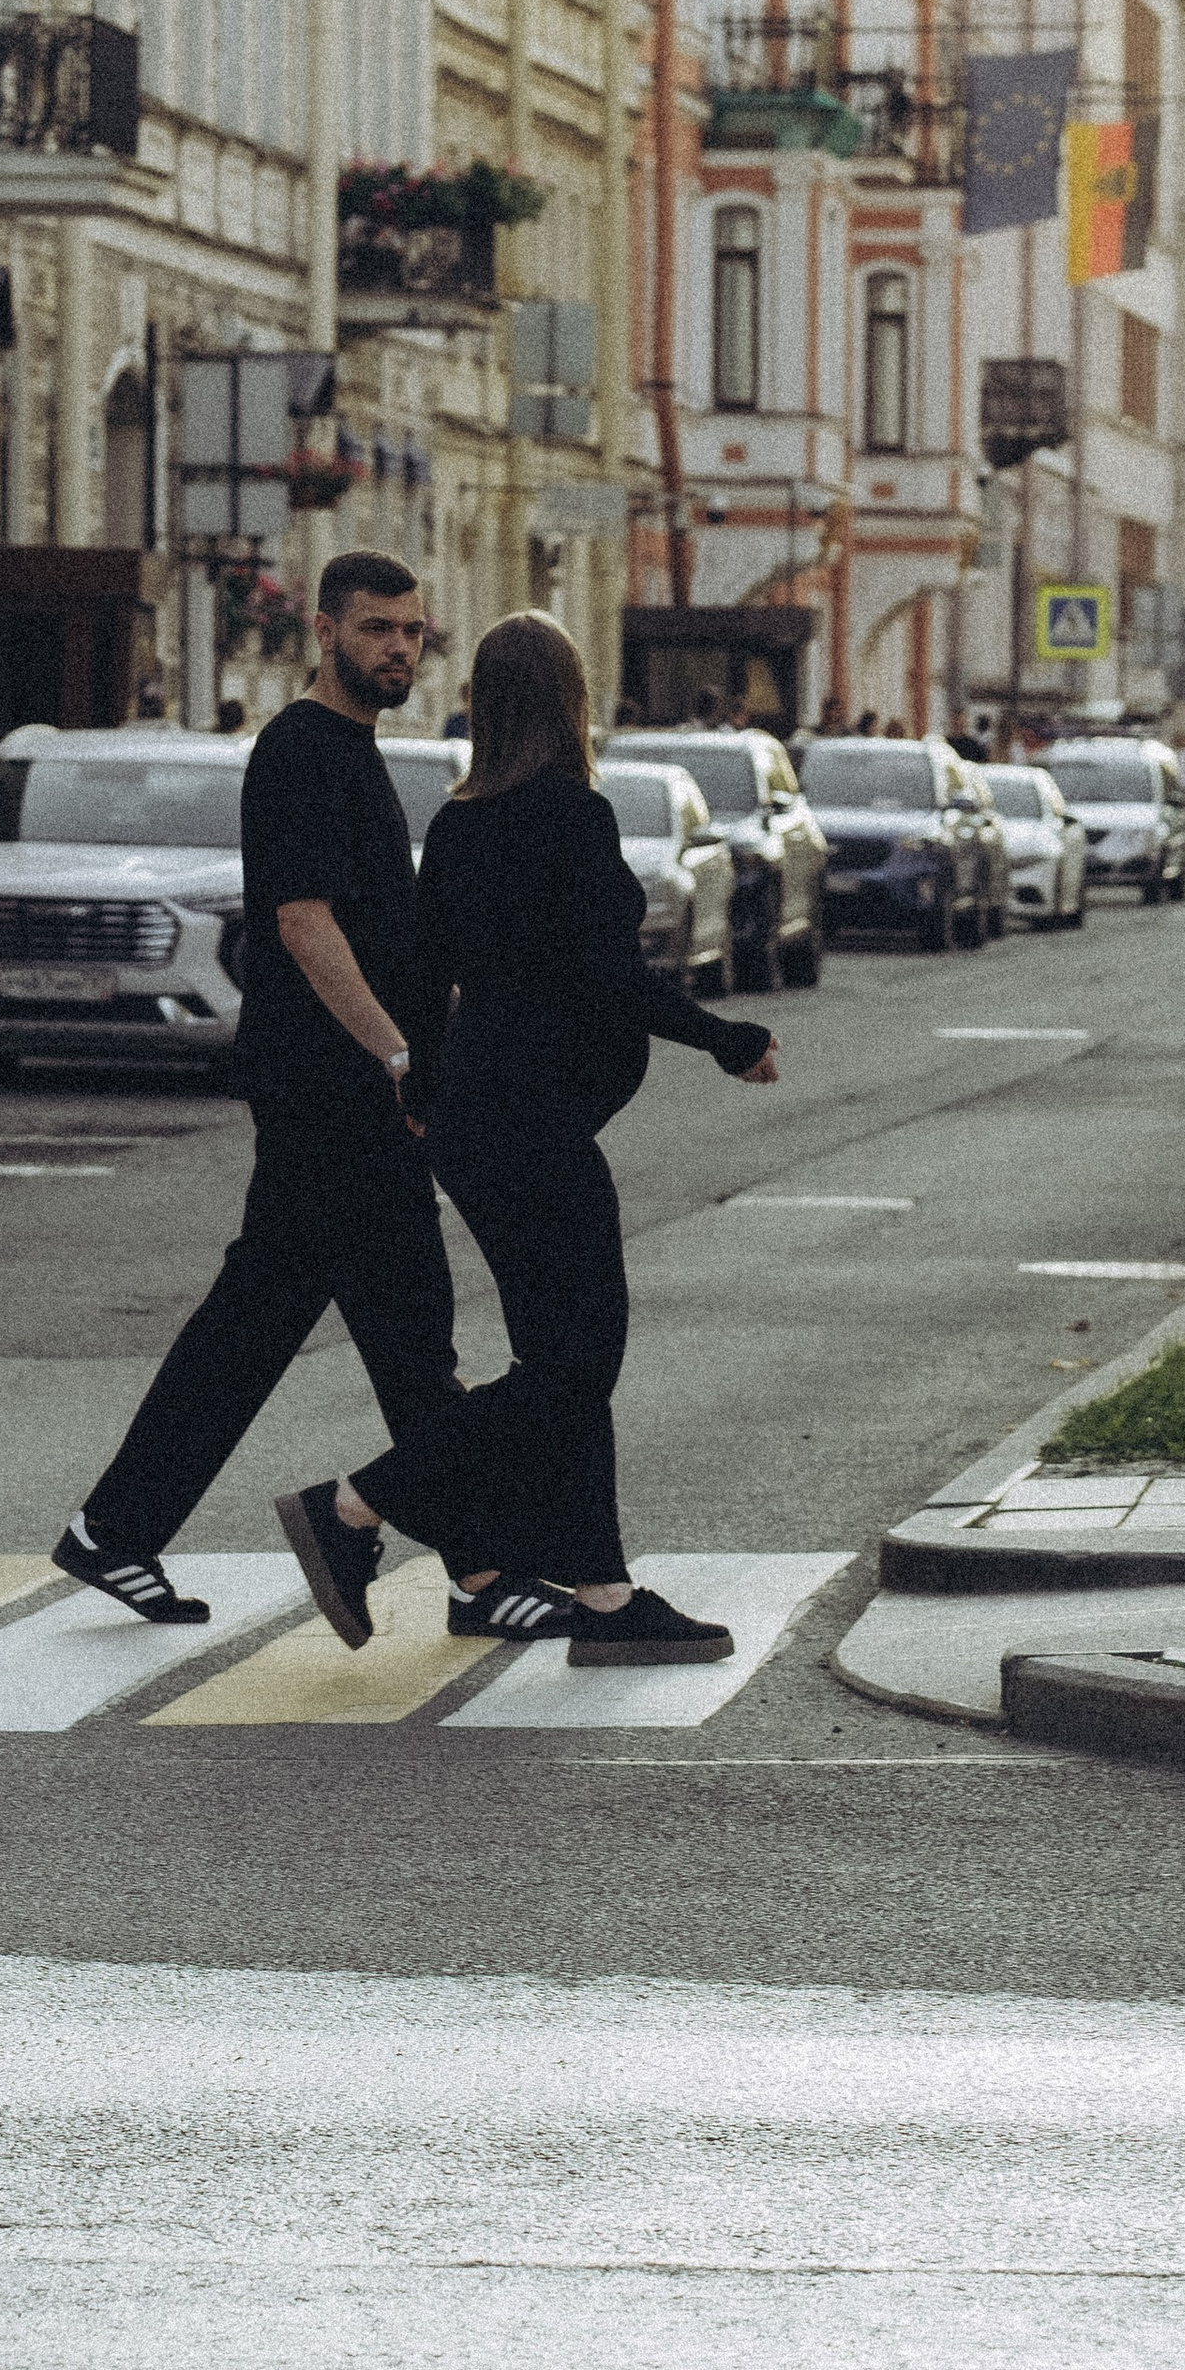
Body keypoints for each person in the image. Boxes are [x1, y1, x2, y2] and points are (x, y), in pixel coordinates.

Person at [55, 554, 555, 1641]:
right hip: (329, 1094)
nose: (399, 649)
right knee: (409, 1333)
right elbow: (303, 922)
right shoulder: (298, 752)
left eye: (414, 633)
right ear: (323, 632)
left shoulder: (356, 754)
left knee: (265, 1323)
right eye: (377, 629)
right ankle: (476, 1575)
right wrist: (394, 1056)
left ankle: (114, 1527)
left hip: (343, 1096)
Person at [295, 609, 778, 1667]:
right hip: (531, 1124)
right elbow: (605, 973)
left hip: (475, 1118)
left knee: (563, 1361)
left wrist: (418, 1081)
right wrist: (722, 1037)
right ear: (568, 703)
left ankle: (603, 1598)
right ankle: (354, 1508)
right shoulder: (568, 814)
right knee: (573, 1362)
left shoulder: (463, 820)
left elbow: (423, 969)